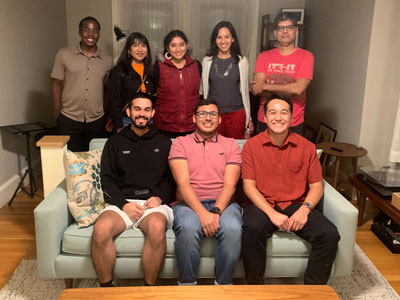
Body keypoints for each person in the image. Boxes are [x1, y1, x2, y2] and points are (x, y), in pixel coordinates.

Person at [241, 92, 340, 285]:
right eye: (273, 112)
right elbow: (249, 187)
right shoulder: (251, 146)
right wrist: (272, 214)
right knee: (253, 228)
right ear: (264, 116)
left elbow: (316, 186)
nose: (278, 117)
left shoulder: (307, 147)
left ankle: (313, 292)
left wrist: (305, 210)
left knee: (329, 234)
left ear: (292, 116)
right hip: (262, 203)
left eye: (284, 112)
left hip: (295, 203)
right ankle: (255, 287)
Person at [91, 93, 176, 287]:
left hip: (153, 203)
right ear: (128, 111)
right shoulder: (114, 142)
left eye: (147, 110)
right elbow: (107, 180)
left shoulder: (164, 142)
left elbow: (172, 179)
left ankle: (148, 289)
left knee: (156, 227)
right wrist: (123, 204)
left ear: (153, 113)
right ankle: (106, 289)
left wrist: (160, 197)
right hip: (123, 203)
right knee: (101, 228)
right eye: (137, 109)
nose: (142, 114)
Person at [168, 98, 243, 285]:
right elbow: (183, 184)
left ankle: (223, 287)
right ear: (194, 118)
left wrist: (216, 212)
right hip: (188, 203)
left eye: (213, 114)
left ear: (220, 120)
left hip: (224, 204)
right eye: (202, 113)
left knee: (233, 228)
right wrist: (202, 214)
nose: (208, 118)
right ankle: (187, 286)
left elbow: (230, 185)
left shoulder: (231, 144)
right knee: (188, 228)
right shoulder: (180, 143)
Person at [51, 16, 113, 151]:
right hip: (69, 118)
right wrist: (57, 114)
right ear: (79, 32)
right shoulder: (63, 54)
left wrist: (104, 112)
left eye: (95, 30)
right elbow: (56, 83)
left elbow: (108, 89)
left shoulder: (107, 60)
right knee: (71, 161)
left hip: (96, 120)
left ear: (99, 33)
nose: (91, 34)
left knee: (94, 160)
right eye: (86, 30)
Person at [252, 12, 314, 136]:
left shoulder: (306, 56)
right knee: (262, 155)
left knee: (292, 156)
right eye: (280, 28)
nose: (285, 31)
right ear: (275, 32)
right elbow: (257, 88)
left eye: (289, 27)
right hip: (265, 120)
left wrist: (265, 86)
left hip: (293, 122)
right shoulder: (263, 57)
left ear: (296, 31)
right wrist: (288, 88)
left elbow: (298, 89)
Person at [201, 21, 253, 139]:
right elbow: (204, 90)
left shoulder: (242, 61)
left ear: (233, 39)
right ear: (215, 40)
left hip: (237, 114)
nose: (223, 41)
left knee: (234, 150)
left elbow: (245, 92)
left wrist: (249, 118)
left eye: (227, 37)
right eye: (219, 37)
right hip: (213, 114)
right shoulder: (207, 61)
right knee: (213, 150)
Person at [153, 30, 201, 138]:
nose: (178, 49)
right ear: (167, 47)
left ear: (186, 46)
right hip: (165, 126)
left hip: (192, 125)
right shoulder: (158, 67)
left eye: (181, 45)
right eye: (173, 45)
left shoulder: (196, 65)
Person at [108, 32, 154, 133]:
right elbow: (113, 100)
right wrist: (118, 125)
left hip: (148, 120)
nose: (140, 49)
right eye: (135, 45)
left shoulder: (151, 71)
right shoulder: (119, 71)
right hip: (126, 121)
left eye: (143, 45)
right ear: (129, 50)